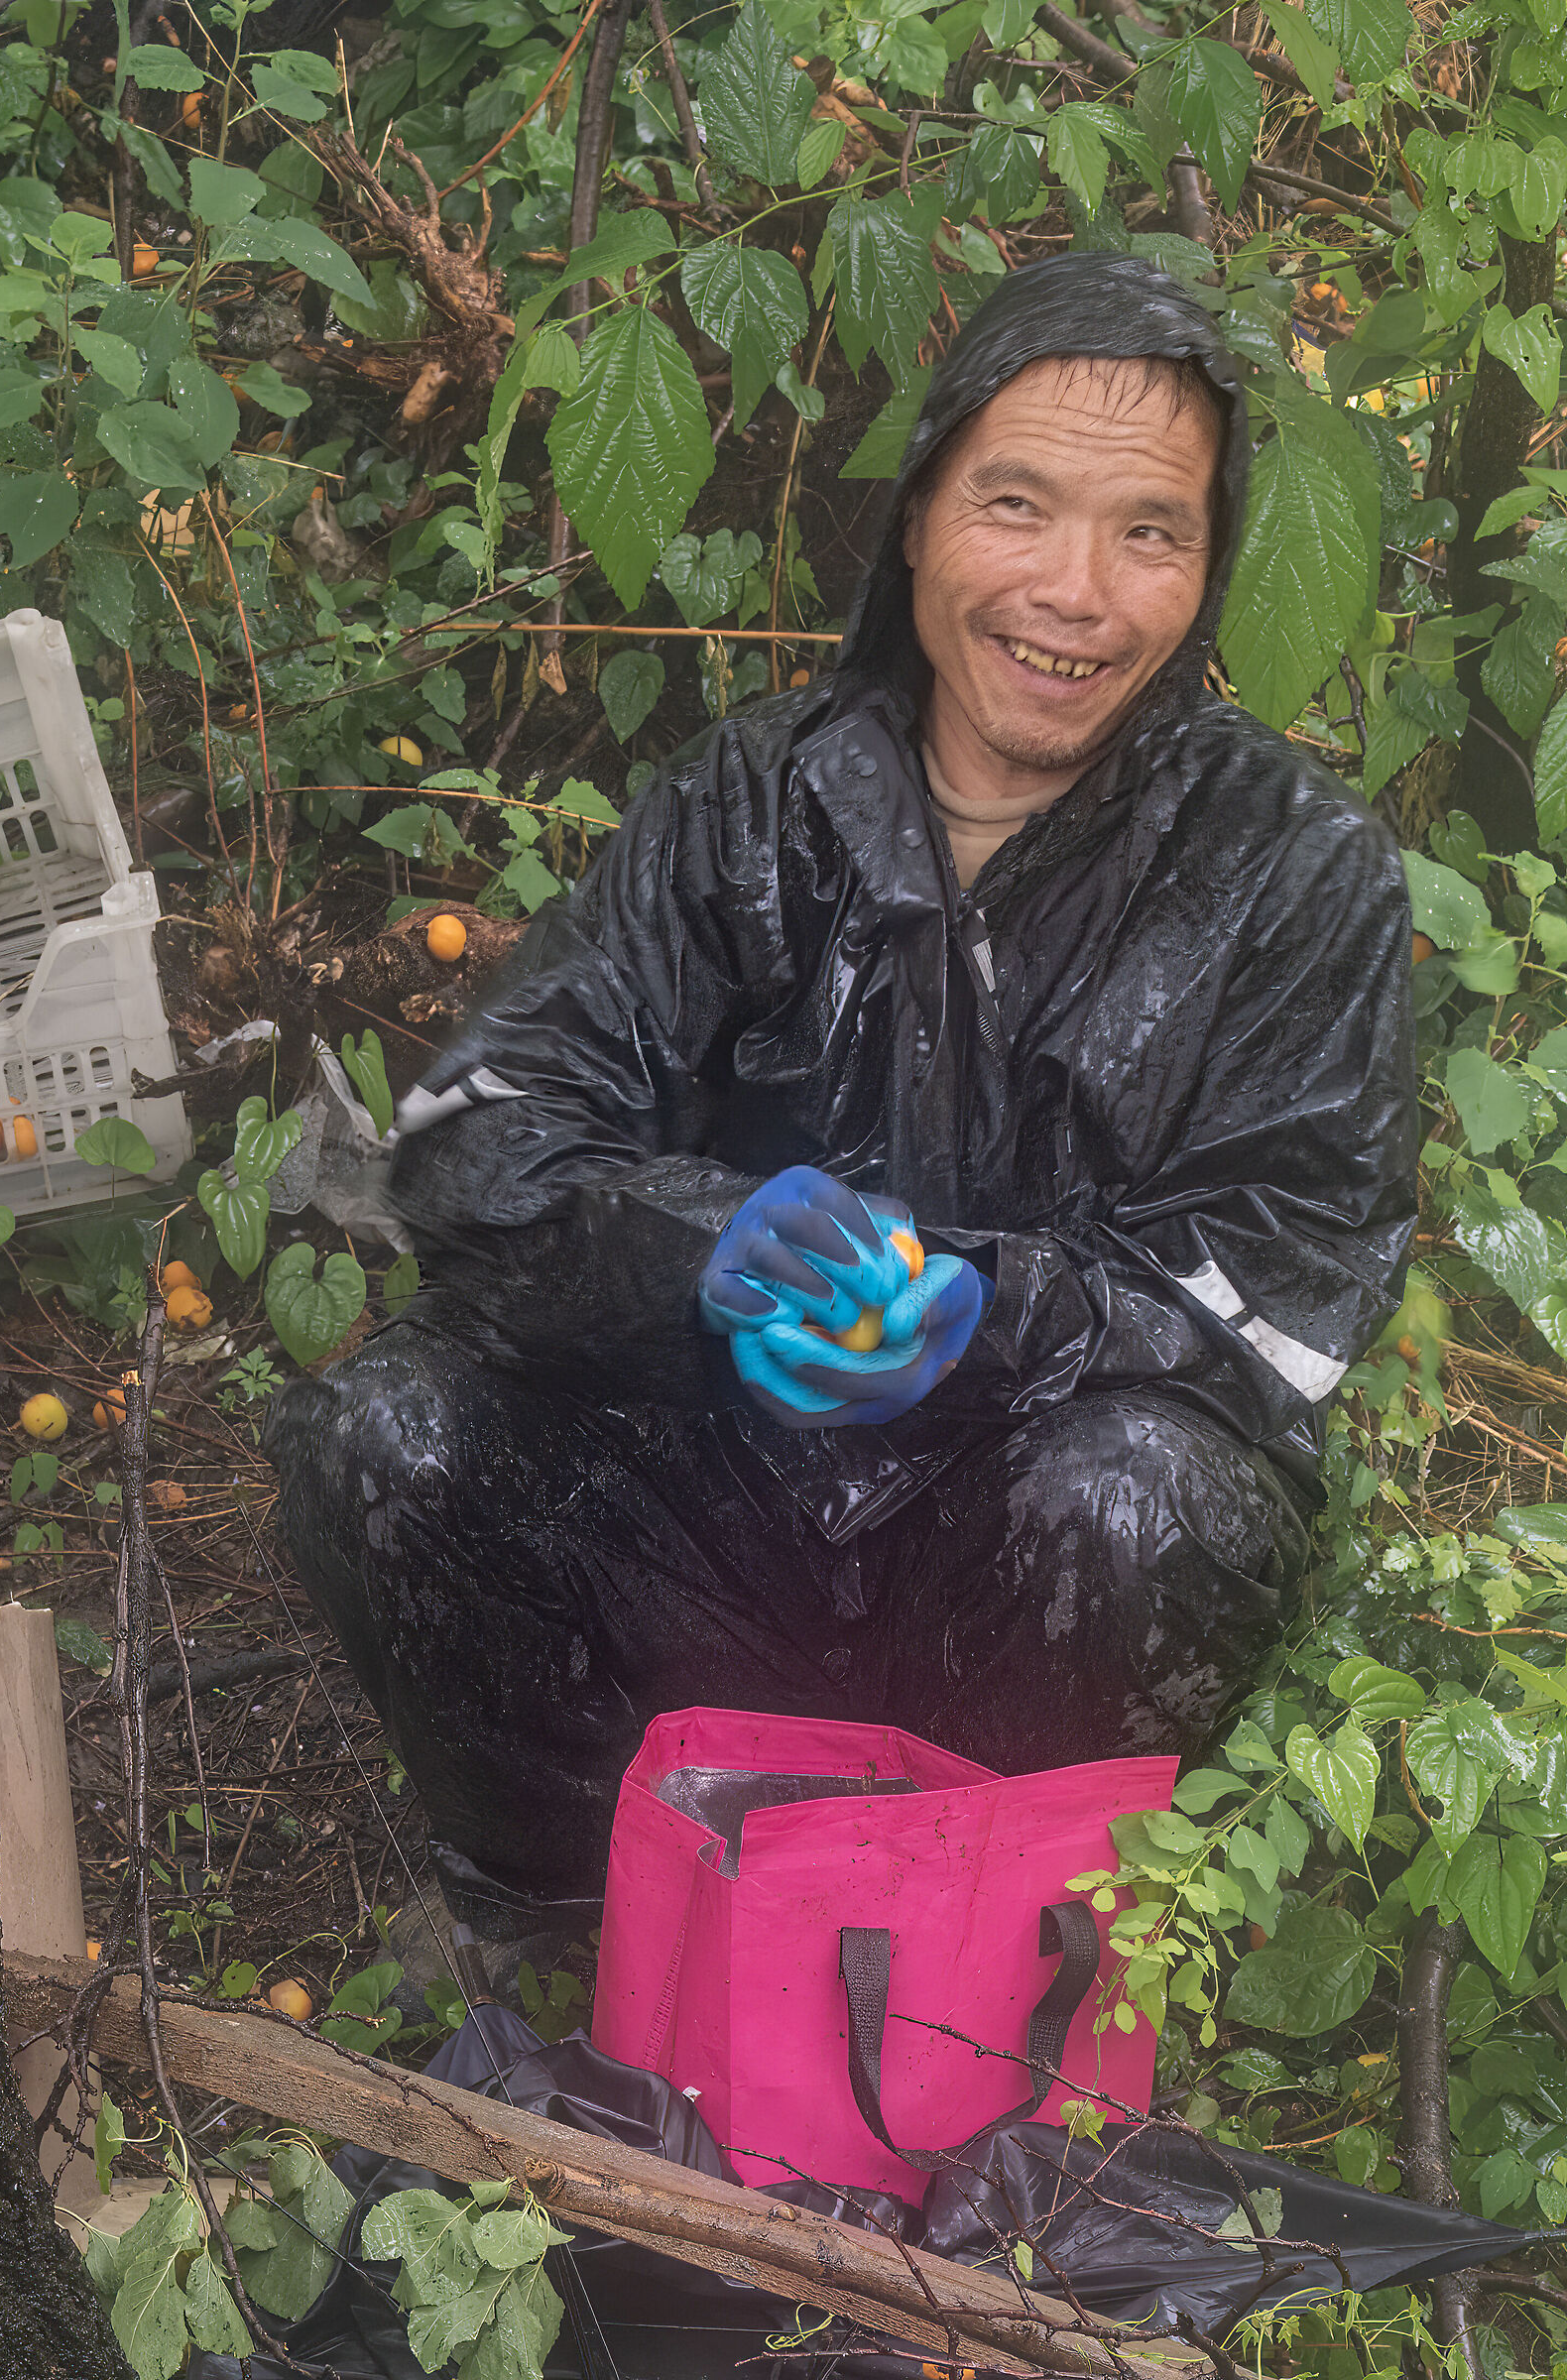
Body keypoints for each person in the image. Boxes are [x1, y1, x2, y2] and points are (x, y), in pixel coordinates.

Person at [266, 255, 1416, 1944]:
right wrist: (705, 1248)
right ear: (921, 515)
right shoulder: (750, 800)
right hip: (710, 1524)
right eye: (1017, 505)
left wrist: (989, 1311)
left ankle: (976, 1962)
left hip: (1024, 1552)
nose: (1078, 594)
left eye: (1151, 531)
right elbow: (476, 1129)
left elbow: (1292, 1290)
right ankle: (585, 1941)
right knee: (391, 1436)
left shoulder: (1296, 874)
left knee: (1141, 1501)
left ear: (1209, 566)